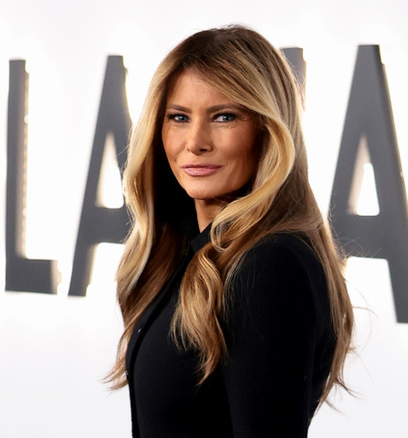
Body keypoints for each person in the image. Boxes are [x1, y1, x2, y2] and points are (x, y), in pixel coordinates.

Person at [108, 25, 354, 437]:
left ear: (267, 129)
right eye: (179, 118)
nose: (195, 141)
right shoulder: (190, 250)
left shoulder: (268, 264)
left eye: (224, 117)